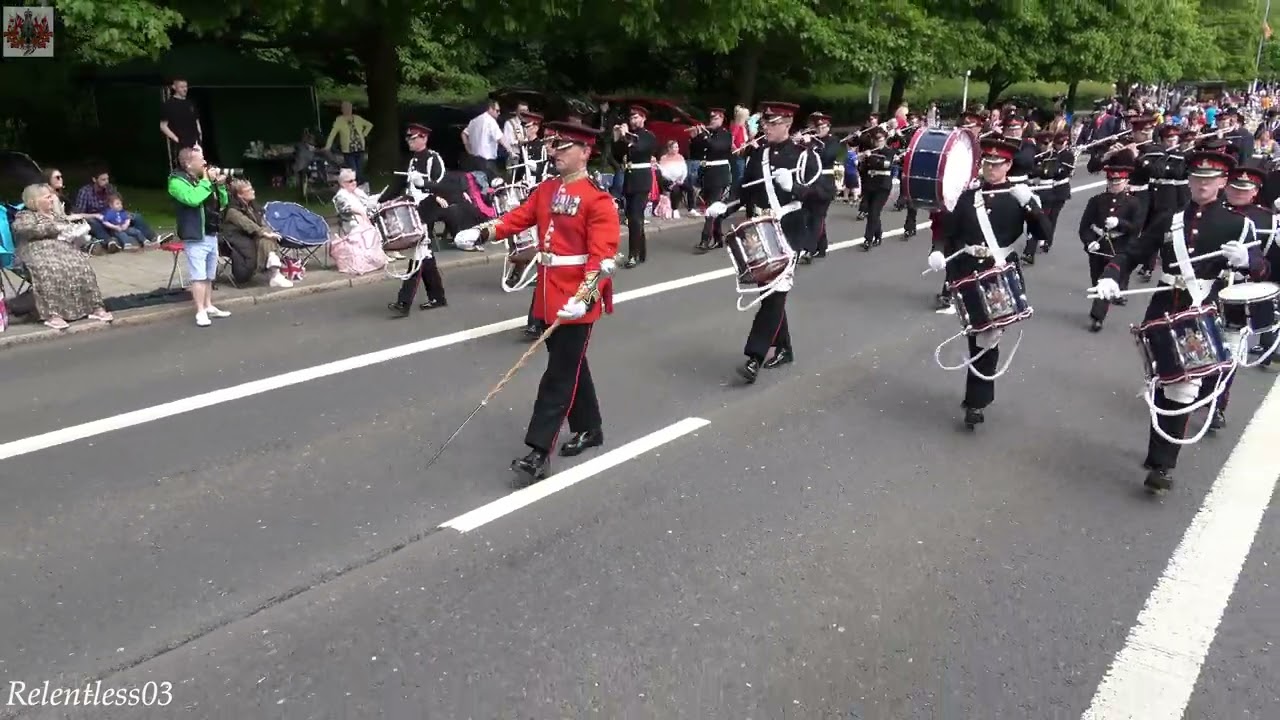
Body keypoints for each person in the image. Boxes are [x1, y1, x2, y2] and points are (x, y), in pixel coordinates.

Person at [1093, 146, 1269, 492]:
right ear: (1189, 181)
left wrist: (1246, 260)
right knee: (1161, 381)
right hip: (1163, 307)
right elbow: (1134, 251)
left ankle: (1164, 465)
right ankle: (1157, 450)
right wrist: (1112, 274)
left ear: (1222, 182)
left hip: (1201, 312)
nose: (1202, 185)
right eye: (1197, 178)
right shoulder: (1170, 219)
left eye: (1210, 179)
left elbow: (1261, 270)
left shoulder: (1240, 224)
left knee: (1183, 388)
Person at [452, 120, 620, 484]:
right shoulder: (546, 190)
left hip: (576, 298)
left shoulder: (598, 200)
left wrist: (584, 297)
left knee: (558, 375)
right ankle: (590, 428)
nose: (554, 152)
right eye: (553, 145)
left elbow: (603, 258)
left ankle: (538, 451)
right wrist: (483, 231)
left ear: (585, 152)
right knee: (571, 364)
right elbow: (518, 219)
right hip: (546, 293)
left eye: (564, 146)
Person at [926, 135, 1052, 429]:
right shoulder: (969, 195)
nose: (990, 169)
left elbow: (1044, 234)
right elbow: (948, 228)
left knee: (987, 337)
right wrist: (937, 250)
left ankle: (976, 402)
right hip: (967, 271)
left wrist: (1031, 207)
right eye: (987, 163)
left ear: (1008, 165)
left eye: (997, 164)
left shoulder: (1019, 196)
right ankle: (978, 397)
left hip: (999, 272)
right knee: (975, 334)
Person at [706, 101, 822, 384]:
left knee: (774, 293)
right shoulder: (759, 156)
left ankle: (754, 357)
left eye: (771, 123)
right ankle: (784, 347)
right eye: (763, 123)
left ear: (787, 124)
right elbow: (744, 190)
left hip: (788, 232)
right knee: (769, 292)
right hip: (761, 231)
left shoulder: (805, 156)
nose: (765, 128)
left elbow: (822, 193)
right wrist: (725, 206)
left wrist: (793, 187)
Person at [10, 183, 114, 330]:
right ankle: (53, 314)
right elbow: (24, 229)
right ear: (35, 200)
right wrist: (54, 228)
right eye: (47, 197)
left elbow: (67, 228)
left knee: (80, 266)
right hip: (37, 251)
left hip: (62, 250)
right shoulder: (26, 215)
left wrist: (76, 231)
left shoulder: (55, 216)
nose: (52, 200)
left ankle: (94, 308)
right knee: (50, 269)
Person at [379, 123, 448, 317]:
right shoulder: (410, 161)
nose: (409, 141)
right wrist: (379, 200)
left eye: (413, 138)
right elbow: (398, 185)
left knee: (418, 253)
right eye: (408, 138)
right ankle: (437, 296)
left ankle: (404, 302)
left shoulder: (433, 158)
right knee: (424, 255)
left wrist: (424, 183)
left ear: (423, 138)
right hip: (412, 210)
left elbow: (442, 183)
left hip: (427, 209)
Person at [168, 147, 231, 327]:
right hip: (195, 235)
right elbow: (192, 199)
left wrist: (219, 187)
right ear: (188, 163)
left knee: (209, 275)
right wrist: (207, 181)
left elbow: (222, 204)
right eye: (201, 159)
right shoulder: (176, 182)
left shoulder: (203, 180)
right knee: (198, 275)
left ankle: (209, 305)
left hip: (211, 232)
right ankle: (200, 311)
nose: (205, 163)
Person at [1079, 160, 1144, 332]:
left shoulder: (1134, 203)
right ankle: (1110, 296)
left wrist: (1120, 223)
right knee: (1096, 279)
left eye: (1118, 181)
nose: (1114, 184)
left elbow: (1136, 227)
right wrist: (1089, 242)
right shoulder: (1096, 201)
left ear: (1126, 181)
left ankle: (1097, 317)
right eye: (1111, 181)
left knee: (1106, 281)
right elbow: (1085, 225)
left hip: (1120, 248)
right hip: (1099, 247)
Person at [219, 178, 293, 288]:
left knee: (268, 238)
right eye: (248, 190)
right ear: (240, 195)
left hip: (251, 235)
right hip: (235, 238)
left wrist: (267, 232)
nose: (253, 191)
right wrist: (263, 232)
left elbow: (261, 223)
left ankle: (274, 270)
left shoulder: (253, 206)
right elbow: (247, 224)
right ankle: (274, 273)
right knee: (266, 237)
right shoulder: (232, 211)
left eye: (252, 189)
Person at [611, 105, 657, 268]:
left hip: (642, 179)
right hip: (630, 179)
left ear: (644, 118)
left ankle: (633, 254)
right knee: (633, 216)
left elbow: (639, 148)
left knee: (635, 218)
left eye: (636, 117)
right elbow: (617, 154)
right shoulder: (630, 137)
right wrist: (617, 137)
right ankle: (641, 250)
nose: (633, 120)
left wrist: (625, 136)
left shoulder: (647, 136)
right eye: (631, 118)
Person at [689, 109, 734, 251]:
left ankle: (705, 240)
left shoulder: (725, 134)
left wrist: (704, 136)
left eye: (715, 119)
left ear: (721, 119)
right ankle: (719, 238)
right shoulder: (709, 135)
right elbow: (695, 152)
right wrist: (695, 137)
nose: (712, 121)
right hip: (707, 175)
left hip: (719, 175)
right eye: (711, 119)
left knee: (710, 209)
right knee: (712, 208)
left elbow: (716, 146)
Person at [800, 111, 839, 261]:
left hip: (824, 183)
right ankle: (821, 246)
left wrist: (809, 144)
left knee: (817, 217)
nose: (820, 129)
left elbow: (826, 156)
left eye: (823, 126)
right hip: (810, 183)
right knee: (809, 216)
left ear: (829, 127)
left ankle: (809, 249)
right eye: (818, 126)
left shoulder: (834, 141)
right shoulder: (812, 141)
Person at [858, 126, 894, 250]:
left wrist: (870, 157)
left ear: (885, 139)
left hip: (883, 186)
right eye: (875, 140)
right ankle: (878, 234)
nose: (877, 142)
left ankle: (868, 239)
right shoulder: (870, 151)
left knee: (874, 212)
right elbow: (864, 170)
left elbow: (885, 165)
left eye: (880, 139)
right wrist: (861, 160)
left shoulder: (889, 152)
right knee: (872, 212)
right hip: (870, 185)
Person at [324, 101, 373, 184]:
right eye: (345, 108)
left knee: (359, 169)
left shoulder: (357, 118)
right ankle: (355, 185)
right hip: (348, 150)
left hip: (360, 148)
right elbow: (332, 134)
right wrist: (327, 146)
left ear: (351, 109)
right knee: (353, 170)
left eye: (349, 108)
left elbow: (369, 125)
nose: (347, 110)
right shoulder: (339, 120)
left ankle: (359, 185)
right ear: (342, 110)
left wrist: (363, 135)